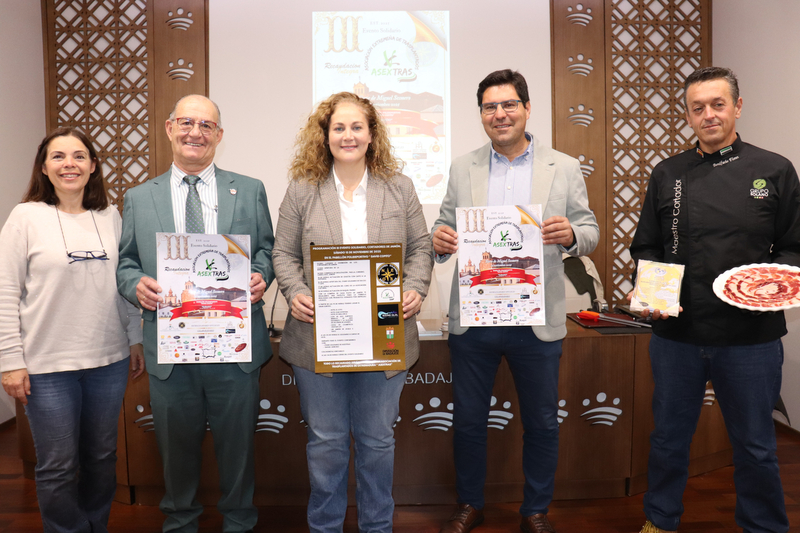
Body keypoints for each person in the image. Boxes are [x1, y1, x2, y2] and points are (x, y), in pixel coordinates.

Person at [630, 67, 797, 533]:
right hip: (677, 336)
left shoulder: (773, 170)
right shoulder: (668, 173)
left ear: (737, 106)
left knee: (756, 445)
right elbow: (647, 247)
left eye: (717, 104)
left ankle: (763, 527)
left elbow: (793, 247)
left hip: (751, 337)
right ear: (687, 114)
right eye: (698, 107)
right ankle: (660, 521)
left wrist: (771, 284)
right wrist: (653, 292)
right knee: (667, 439)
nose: (708, 115)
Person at [431, 69, 599, 533]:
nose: (499, 114)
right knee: (467, 422)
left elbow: (590, 230)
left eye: (508, 104)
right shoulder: (463, 166)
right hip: (476, 316)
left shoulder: (562, 166)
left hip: (536, 319)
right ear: (481, 114)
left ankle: (536, 510)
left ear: (526, 108)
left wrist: (571, 236)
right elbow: (443, 230)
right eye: (490, 107)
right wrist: (439, 239)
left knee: (542, 422)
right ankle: (469, 504)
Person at [272, 91, 433, 533]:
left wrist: (415, 287)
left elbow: (420, 248)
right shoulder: (303, 188)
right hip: (317, 338)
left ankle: (376, 527)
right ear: (324, 135)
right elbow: (282, 254)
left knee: (377, 441)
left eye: (357, 126)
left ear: (372, 133)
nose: (348, 135)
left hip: (385, 333)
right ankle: (324, 527)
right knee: (325, 442)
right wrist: (295, 290)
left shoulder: (398, 187)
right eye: (338, 127)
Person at [116, 94, 274, 533]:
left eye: (206, 126)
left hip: (235, 343)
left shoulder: (250, 188)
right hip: (171, 345)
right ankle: (180, 523)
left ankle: (239, 523)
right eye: (186, 123)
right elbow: (126, 261)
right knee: (176, 449)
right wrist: (135, 284)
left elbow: (266, 250)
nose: (195, 133)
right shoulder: (138, 198)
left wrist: (261, 275)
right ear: (169, 128)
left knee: (238, 449)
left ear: (219, 136)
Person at [0, 127, 144, 533]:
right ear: (44, 167)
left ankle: (96, 524)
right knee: (58, 465)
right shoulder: (25, 217)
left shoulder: (110, 215)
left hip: (108, 360)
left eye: (79, 156)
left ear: (93, 165)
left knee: (102, 457)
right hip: (46, 366)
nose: (70, 164)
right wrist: (10, 361)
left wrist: (134, 338)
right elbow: (5, 291)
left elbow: (123, 283)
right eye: (59, 156)